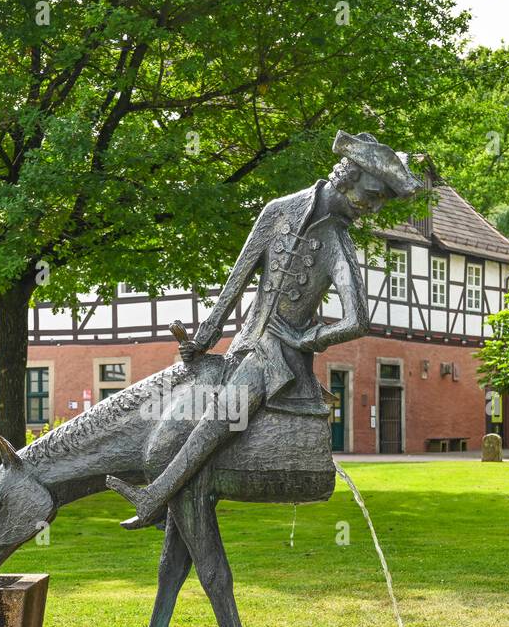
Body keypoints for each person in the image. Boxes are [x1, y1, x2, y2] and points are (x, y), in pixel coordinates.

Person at [106, 130, 427, 528]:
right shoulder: (278, 212)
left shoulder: (337, 242)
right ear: (349, 176)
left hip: (279, 360)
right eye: (374, 195)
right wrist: (203, 340)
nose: (374, 209)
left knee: (219, 420)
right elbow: (235, 284)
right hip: (244, 344)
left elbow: (357, 319)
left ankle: (154, 496)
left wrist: (306, 339)